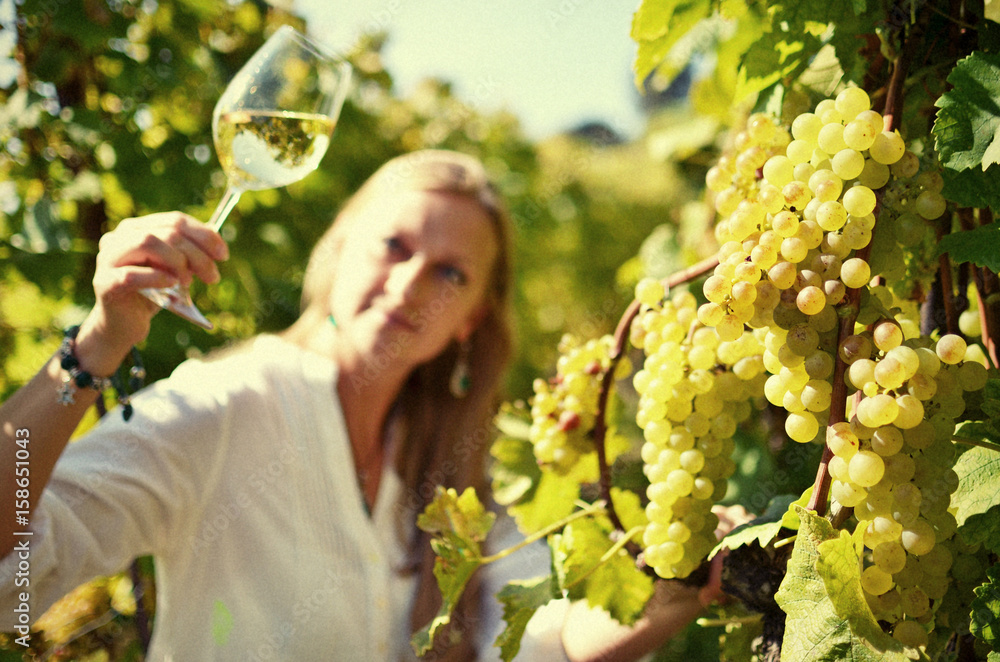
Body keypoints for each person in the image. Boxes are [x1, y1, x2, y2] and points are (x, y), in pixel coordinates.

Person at [0, 149, 516, 660]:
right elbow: (11, 571)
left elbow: (530, 633)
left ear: (471, 319)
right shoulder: (227, 405)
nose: (408, 288)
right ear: (339, 247)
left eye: (451, 274)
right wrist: (96, 346)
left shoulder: (456, 467)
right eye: (393, 245)